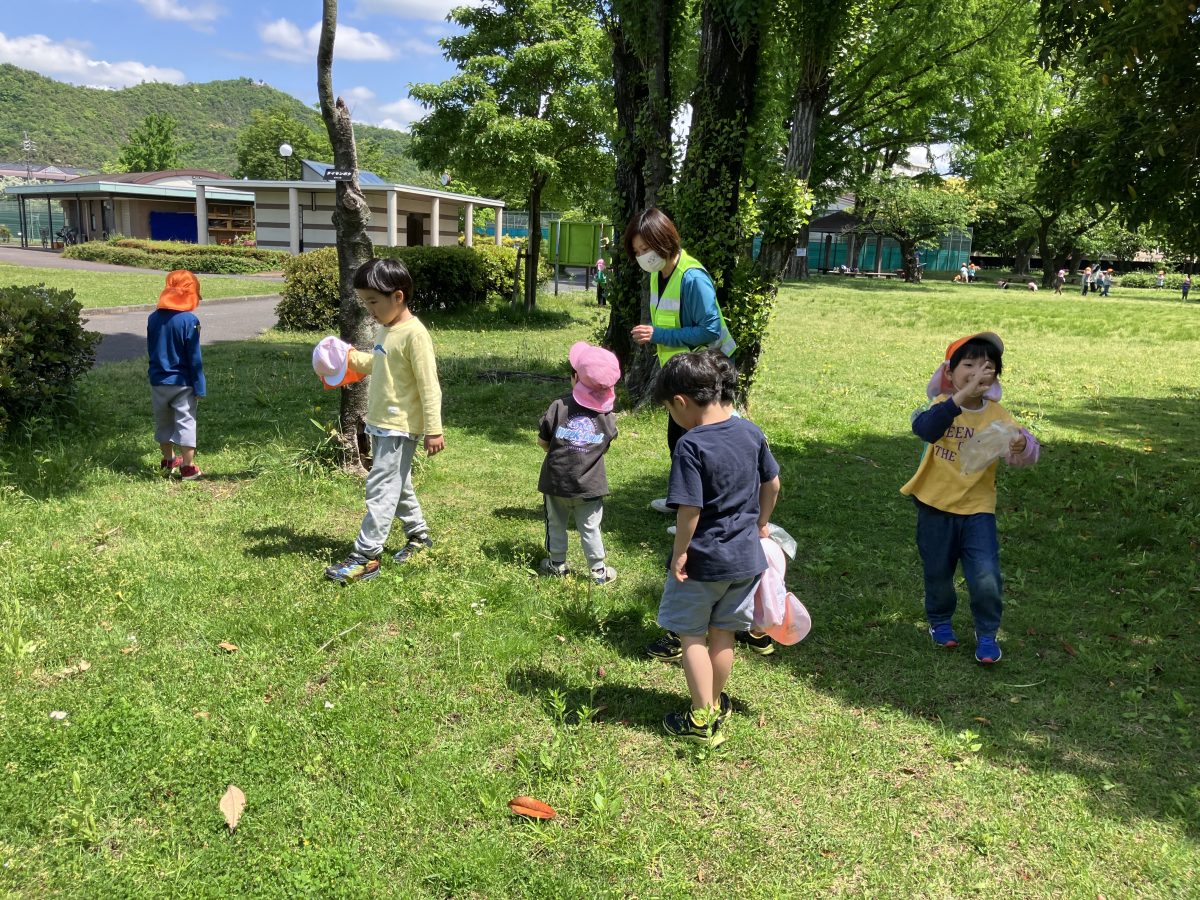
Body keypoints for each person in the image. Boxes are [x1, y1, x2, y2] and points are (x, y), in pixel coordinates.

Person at [652, 350, 780, 746]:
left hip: (704, 561)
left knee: (691, 635)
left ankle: (700, 719)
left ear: (680, 402)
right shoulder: (751, 431)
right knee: (723, 634)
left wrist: (680, 553)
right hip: (746, 560)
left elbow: (690, 509)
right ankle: (716, 701)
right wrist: (761, 524)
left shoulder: (691, 445)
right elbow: (772, 485)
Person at [901, 333, 1040, 664]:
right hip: (934, 506)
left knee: (985, 574)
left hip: (978, 509)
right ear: (949, 373)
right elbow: (925, 429)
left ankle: (988, 632)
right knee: (938, 572)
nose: (979, 370)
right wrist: (959, 397)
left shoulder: (997, 414)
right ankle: (939, 621)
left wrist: (1022, 446)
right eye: (969, 364)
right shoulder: (940, 408)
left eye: (987, 366)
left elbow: (1025, 446)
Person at [325, 257, 445, 584]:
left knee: (381, 487)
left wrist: (434, 428)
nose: (369, 309)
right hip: (380, 422)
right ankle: (419, 538)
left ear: (398, 296)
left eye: (373, 302)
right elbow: (379, 364)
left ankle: (366, 557)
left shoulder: (414, 335)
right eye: (365, 302)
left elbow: (428, 385)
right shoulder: (387, 328)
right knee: (398, 482)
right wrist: (347, 359)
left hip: (400, 425)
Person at [537, 341, 620, 585]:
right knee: (591, 527)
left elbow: (543, 441)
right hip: (590, 485)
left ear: (575, 377)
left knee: (556, 522)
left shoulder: (558, 406)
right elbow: (604, 446)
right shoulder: (607, 417)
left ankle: (557, 564)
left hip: (556, 481)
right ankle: (598, 571)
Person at [149, 270, 206, 480]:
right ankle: (188, 467)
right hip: (183, 383)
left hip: (158, 380)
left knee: (163, 422)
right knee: (186, 421)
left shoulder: (153, 318)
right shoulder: (189, 320)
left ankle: (168, 461)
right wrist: (199, 386)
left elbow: (152, 348)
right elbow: (194, 357)